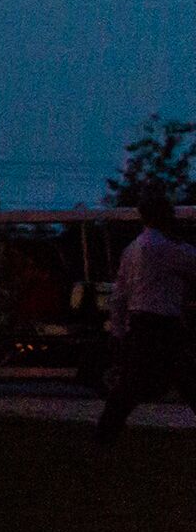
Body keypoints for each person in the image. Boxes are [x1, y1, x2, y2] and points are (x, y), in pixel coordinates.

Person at [101, 188, 196, 444]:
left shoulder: (132, 249)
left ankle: (105, 435)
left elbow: (119, 295)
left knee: (130, 385)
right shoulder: (166, 247)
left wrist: (118, 329)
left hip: (140, 323)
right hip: (163, 325)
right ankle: (104, 436)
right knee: (186, 377)